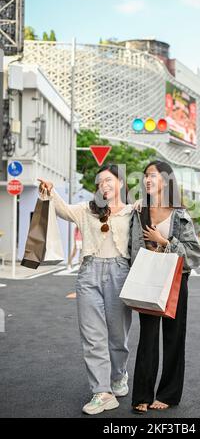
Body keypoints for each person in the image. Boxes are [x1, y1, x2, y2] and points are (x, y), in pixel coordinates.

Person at [38, 164, 133, 415]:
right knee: (92, 335)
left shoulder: (133, 211)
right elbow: (62, 211)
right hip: (89, 274)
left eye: (109, 180)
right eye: (100, 181)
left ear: (121, 183)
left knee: (117, 334)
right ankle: (102, 392)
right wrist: (51, 191)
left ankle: (119, 374)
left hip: (120, 274)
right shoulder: (86, 210)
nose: (104, 184)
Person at [129, 160, 200, 414]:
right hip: (147, 278)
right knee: (147, 338)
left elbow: (195, 255)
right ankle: (142, 394)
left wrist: (165, 241)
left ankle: (169, 394)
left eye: (152, 176)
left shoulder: (180, 214)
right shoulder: (139, 210)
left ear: (165, 180)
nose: (147, 180)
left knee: (173, 337)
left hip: (175, 280)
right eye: (145, 176)